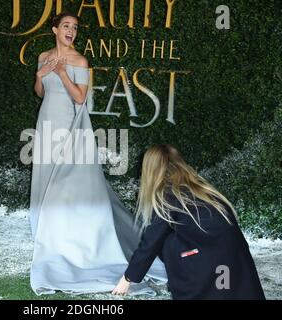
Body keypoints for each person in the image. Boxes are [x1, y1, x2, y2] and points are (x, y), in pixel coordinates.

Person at [29, 12, 167, 296]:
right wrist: (40, 75)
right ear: (54, 29)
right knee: (46, 178)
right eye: (66, 26)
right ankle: (49, 233)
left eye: (75, 27)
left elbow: (80, 98)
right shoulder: (43, 55)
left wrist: (62, 73)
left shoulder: (80, 61)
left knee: (69, 183)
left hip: (69, 126)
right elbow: (40, 93)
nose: (71, 31)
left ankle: (74, 241)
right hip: (46, 123)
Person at [112, 144, 266, 299]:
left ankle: (188, 284)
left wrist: (127, 279)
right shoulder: (202, 189)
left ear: (150, 170)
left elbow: (150, 243)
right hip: (238, 267)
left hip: (210, 270)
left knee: (165, 239)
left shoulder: (167, 195)